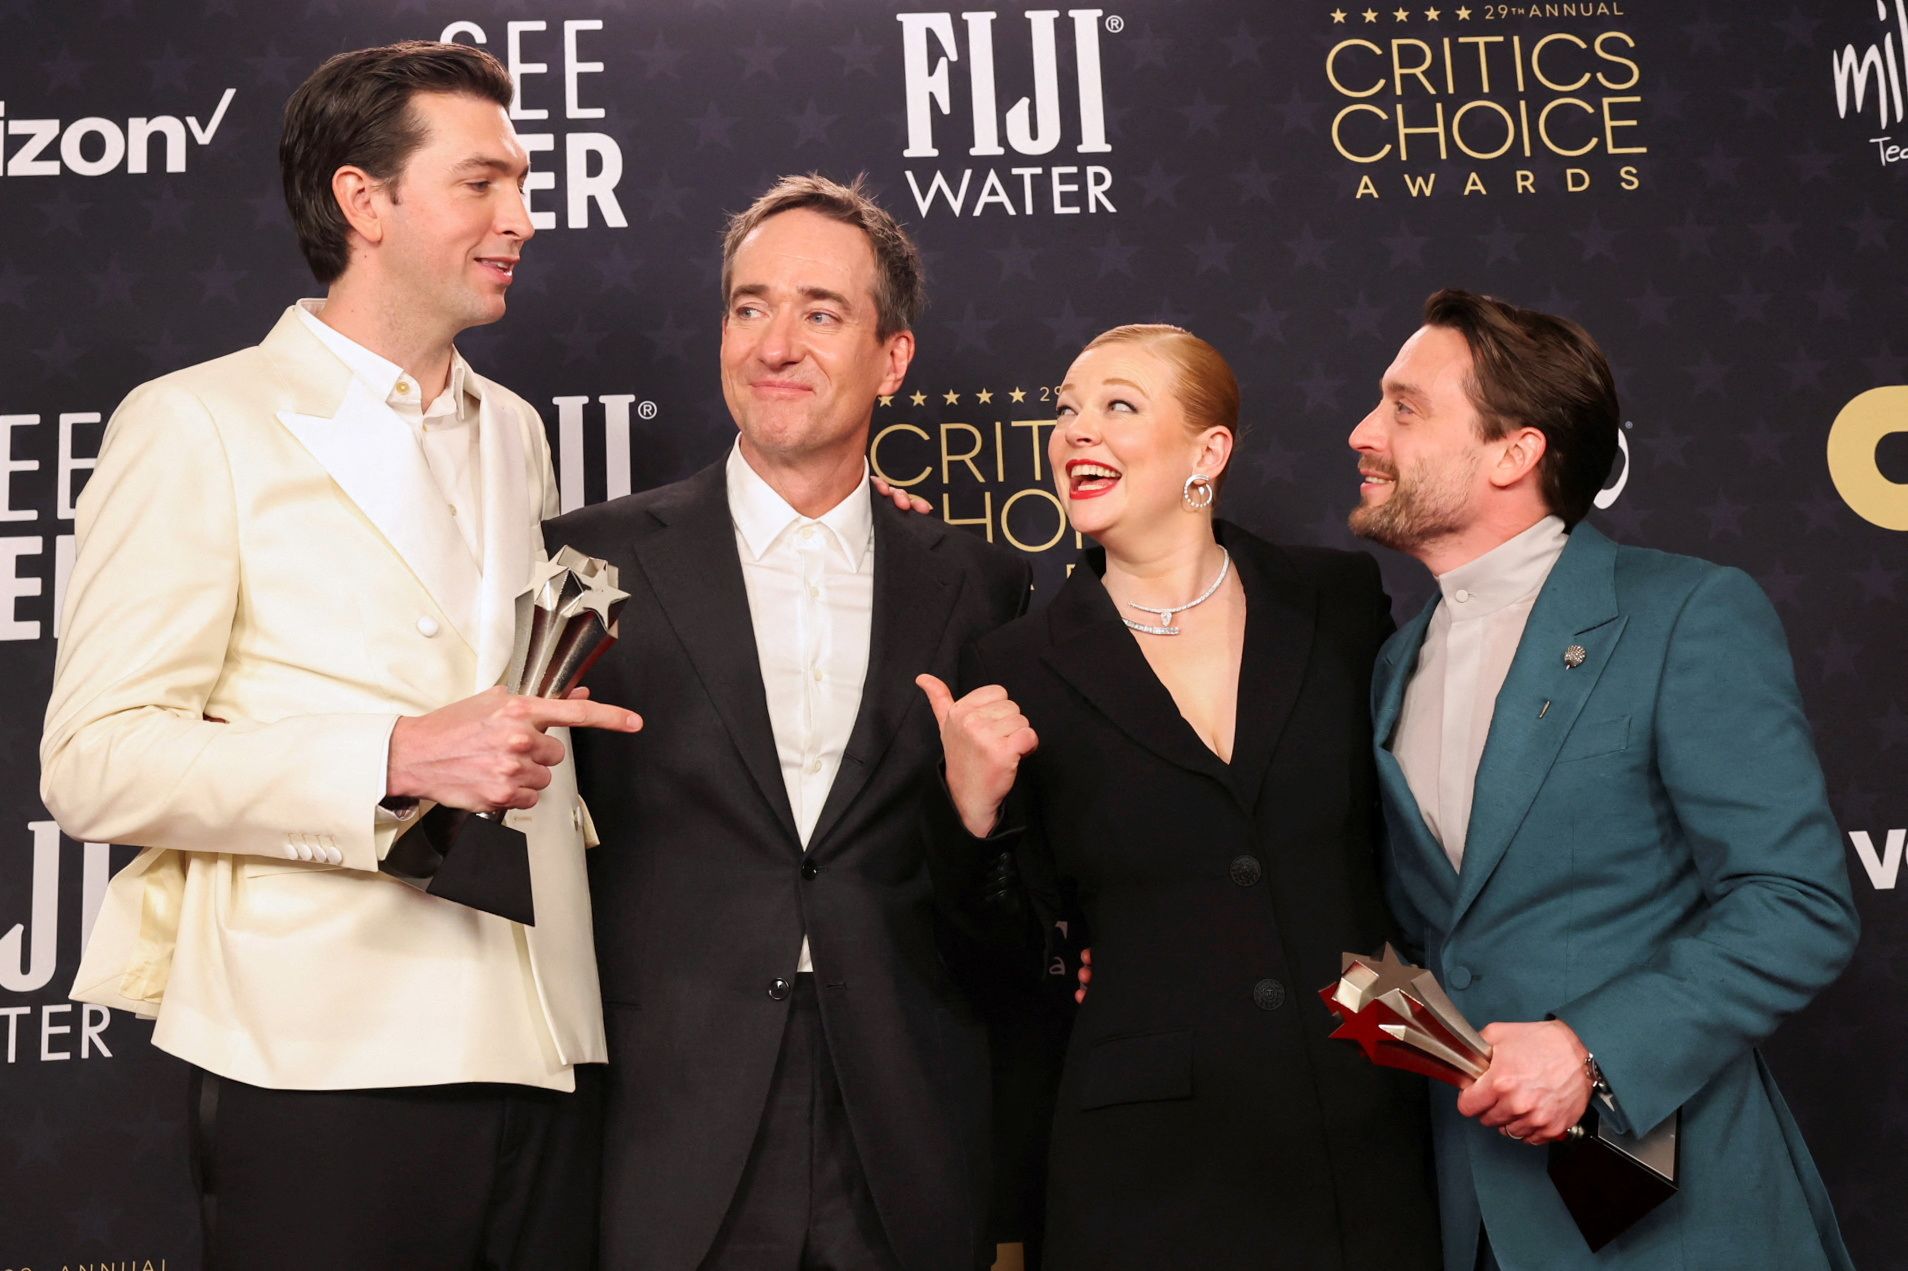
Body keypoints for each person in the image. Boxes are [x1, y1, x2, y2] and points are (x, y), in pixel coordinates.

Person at [39, 42, 641, 1269]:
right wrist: (394, 753)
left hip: (541, 1030)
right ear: (364, 201)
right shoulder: (196, 422)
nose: (522, 218)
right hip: (321, 1054)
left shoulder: (517, 431)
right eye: (481, 184)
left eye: (520, 183)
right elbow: (94, 761)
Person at [545, 173, 1031, 1271]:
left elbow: (1005, 882)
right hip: (666, 1117)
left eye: (822, 311)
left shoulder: (980, 583)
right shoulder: (588, 559)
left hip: (904, 1119)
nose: (776, 342)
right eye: (750, 306)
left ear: (892, 357)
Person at [1349, 288, 1859, 1270]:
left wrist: (1590, 1046)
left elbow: (1796, 899)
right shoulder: (1390, 663)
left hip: (1675, 1217)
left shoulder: (1685, 614)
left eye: (1406, 406)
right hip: (1476, 1215)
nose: (1364, 430)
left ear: (1513, 452)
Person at [923, 324, 1441, 1269]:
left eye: (1119, 405)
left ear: (1209, 451)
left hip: (1363, 1127)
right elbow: (1001, 958)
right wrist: (969, 814)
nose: (1078, 431)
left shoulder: (1335, 601)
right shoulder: (1014, 661)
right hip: (1145, 1166)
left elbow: (1409, 844)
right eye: (1067, 410)